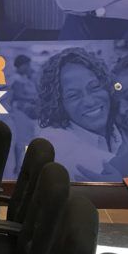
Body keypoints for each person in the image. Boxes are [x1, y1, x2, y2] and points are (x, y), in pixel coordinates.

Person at [37, 47, 122, 177]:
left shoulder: (116, 127)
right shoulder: (53, 141)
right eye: (73, 96)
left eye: (95, 87)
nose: (89, 102)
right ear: (59, 104)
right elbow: (127, 172)